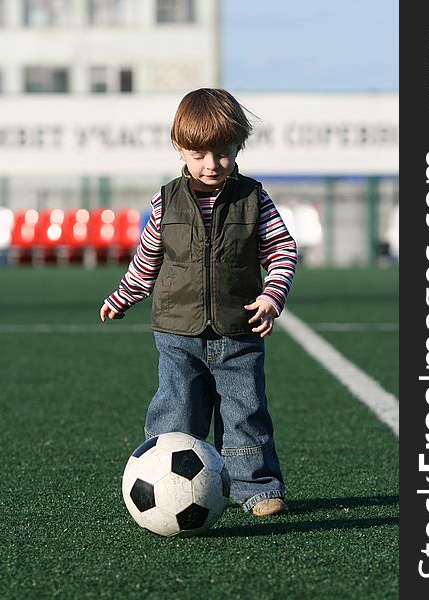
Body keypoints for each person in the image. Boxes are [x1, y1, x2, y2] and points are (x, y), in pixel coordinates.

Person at [100, 88, 297, 516]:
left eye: (223, 153)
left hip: (238, 330)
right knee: (176, 412)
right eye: (199, 154)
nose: (211, 164)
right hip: (177, 332)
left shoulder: (253, 198)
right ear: (180, 148)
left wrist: (271, 295)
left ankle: (256, 488)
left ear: (238, 146)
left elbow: (282, 249)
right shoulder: (165, 200)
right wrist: (124, 296)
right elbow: (148, 259)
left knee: (245, 413)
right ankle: (164, 494)